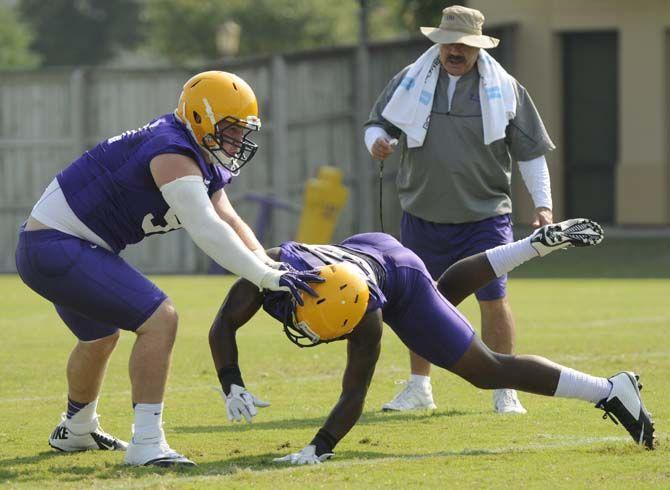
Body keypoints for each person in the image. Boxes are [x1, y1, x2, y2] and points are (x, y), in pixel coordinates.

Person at [15, 71, 321, 467]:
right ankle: (147, 442)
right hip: (56, 245)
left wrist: (268, 263)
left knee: (100, 337)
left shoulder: (196, 150)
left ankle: (76, 428)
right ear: (199, 118)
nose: (235, 139)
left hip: (57, 246)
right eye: (228, 128)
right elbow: (205, 228)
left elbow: (227, 218)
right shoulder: (171, 151)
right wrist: (264, 277)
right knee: (160, 318)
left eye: (240, 130)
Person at [208, 218, 655, 465]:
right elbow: (221, 326)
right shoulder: (267, 270)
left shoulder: (367, 320)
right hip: (369, 247)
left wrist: (318, 448)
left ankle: (609, 390)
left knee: (486, 370)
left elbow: (354, 394)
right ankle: (532, 245)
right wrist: (232, 381)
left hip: (395, 278)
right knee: (441, 299)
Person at [365, 5, 555, 414]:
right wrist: (377, 142)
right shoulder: (410, 80)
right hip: (421, 213)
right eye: (449, 42)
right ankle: (419, 388)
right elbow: (376, 124)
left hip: (485, 216)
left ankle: (505, 388)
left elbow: (530, 153)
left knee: (494, 298)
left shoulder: (506, 88)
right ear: (439, 43)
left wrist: (543, 206)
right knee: (417, 302)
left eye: (465, 45)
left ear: (478, 48)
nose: (455, 50)